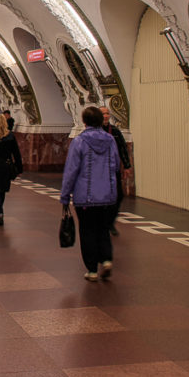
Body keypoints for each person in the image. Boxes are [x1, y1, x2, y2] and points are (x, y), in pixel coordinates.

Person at [60, 106, 120, 281]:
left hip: (85, 197)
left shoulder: (79, 142)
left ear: (84, 121)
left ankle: (92, 269)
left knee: (87, 231)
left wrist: (65, 195)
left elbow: (71, 171)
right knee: (103, 229)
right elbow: (116, 165)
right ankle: (107, 259)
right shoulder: (110, 140)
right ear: (101, 120)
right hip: (107, 196)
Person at [99, 106, 131, 236]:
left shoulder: (116, 131)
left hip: (113, 169)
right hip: (98, 172)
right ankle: (101, 222)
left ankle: (110, 222)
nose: (106, 116)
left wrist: (127, 166)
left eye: (107, 113)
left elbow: (122, 148)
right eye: (103, 114)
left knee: (118, 196)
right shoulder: (93, 132)